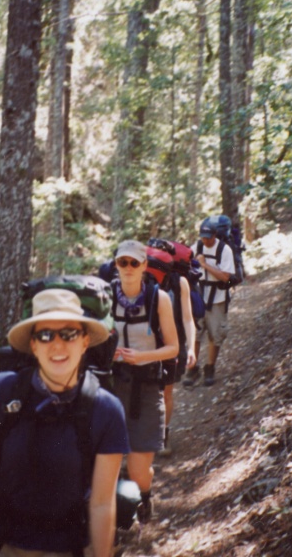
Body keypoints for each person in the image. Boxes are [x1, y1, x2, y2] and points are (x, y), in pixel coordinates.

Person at [0, 289, 130, 557]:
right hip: (3, 544)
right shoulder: (1, 392)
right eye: (45, 335)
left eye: (68, 334)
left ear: (84, 342)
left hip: (73, 548)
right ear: (33, 345)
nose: (57, 345)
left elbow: (102, 502)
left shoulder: (106, 410)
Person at [110, 240, 179, 523]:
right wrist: (106, 353)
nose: (128, 268)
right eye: (122, 262)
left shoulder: (158, 298)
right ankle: (112, 518)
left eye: (134, 263)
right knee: (108, 464)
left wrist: (142, 356)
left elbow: (173, 348)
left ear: (144, 266)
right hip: (112, 388)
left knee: (139, 472)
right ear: (116, 265)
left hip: (147, 388)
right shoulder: (106, 296)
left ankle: (144, 494)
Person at [184, 221, 235, 387]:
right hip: (199, 296)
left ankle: (210, 368)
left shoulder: (224, 250)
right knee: (196, 334)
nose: (205, 241)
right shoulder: (196, 247)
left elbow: (226, 277)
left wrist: (204, 265)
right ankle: (193, 368)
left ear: (214, 235)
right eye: (203, 238)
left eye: (209, 238)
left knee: (215, 334)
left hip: (218, 298)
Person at [158, 273, 197, 457]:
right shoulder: (180, 280)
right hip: (168, 344)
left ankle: (161, 435)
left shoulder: (178, 282)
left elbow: (187, 318)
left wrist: (191, 348)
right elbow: (188, 319)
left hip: (169, 345)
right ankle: (161, 436)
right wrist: (190, 347)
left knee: (164, 393)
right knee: (165, 394)